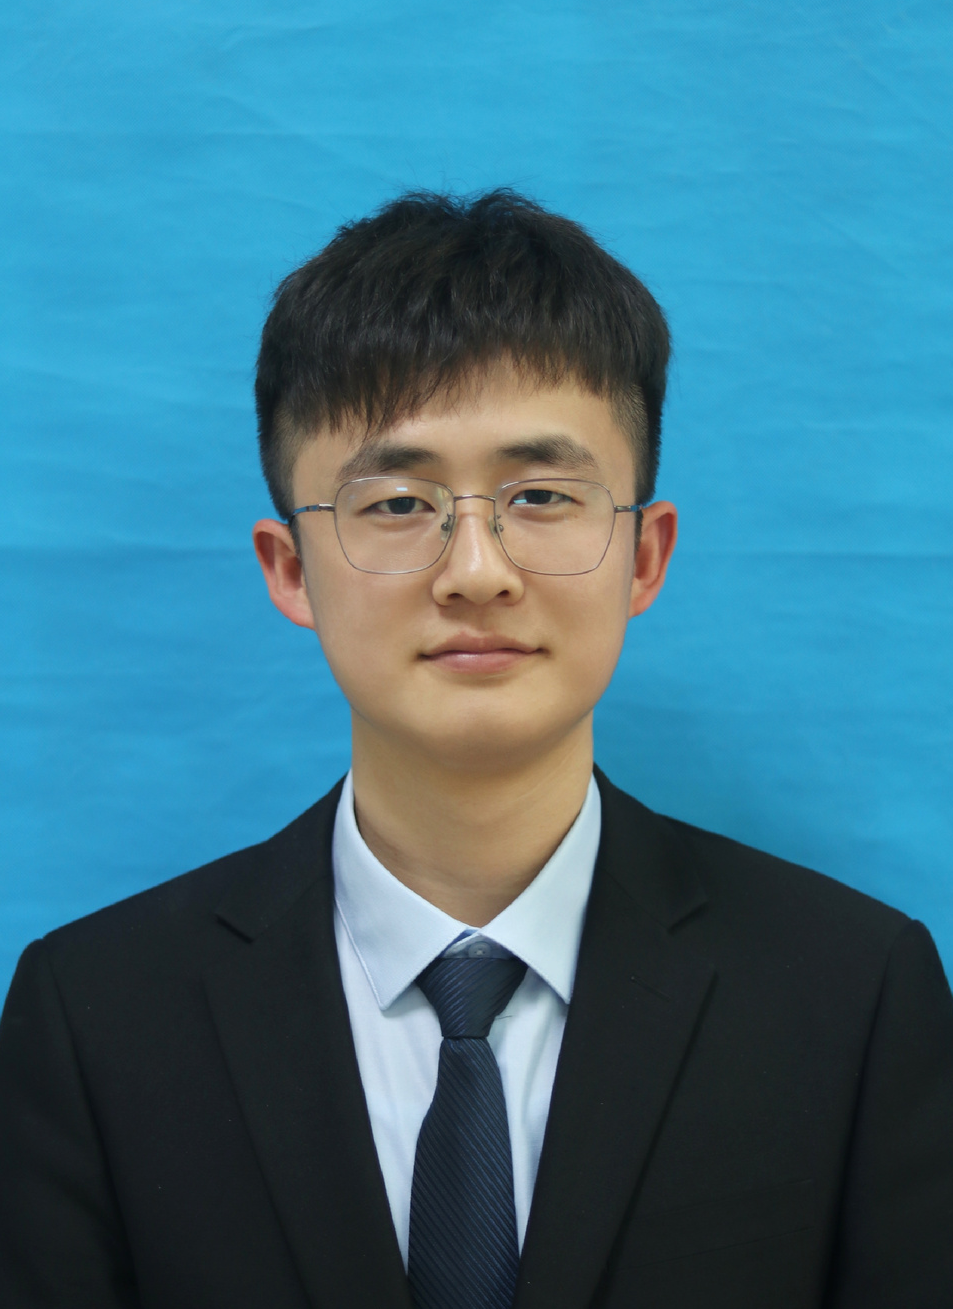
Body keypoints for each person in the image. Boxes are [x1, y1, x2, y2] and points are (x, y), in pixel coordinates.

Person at [1, 189, 951, 1309]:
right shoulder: (95, 1016)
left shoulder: (852, 994)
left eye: (540, 494)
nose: (475, 571)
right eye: (398, 504)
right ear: (290, 569)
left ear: (643, 556)